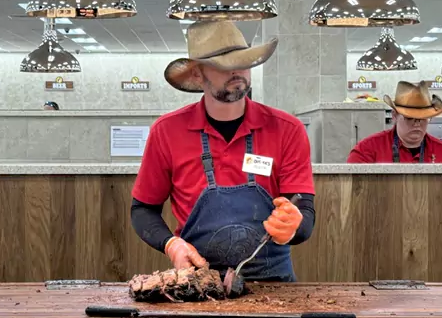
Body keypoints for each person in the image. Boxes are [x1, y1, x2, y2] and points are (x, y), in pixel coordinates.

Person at [130, 21, 316, 282]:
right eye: (224, 64)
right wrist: (171, 244)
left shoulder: (287, 129)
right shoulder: (167, 131)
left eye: (243, 61)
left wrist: (294, 226)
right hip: (197, 284)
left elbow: (305, 213)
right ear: (197, 74)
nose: (238, 71)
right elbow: (142, 210)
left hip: (275, 286)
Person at [347, 80, 442, 163]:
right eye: (409, 118)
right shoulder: (366, 151)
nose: (417, 123)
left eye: (423, 118)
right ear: (394, 116)